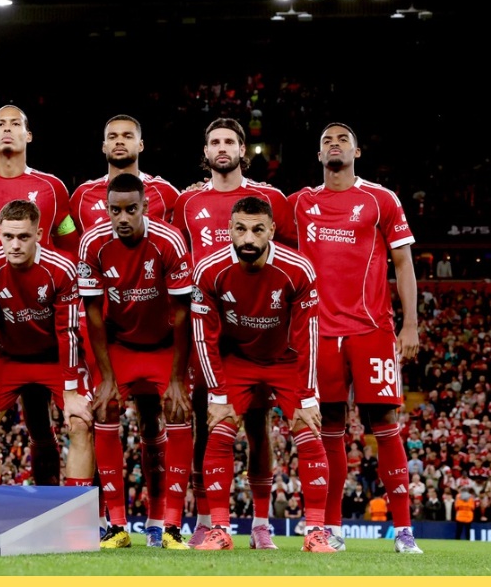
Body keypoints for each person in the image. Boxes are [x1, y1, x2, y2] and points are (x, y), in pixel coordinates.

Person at [290, 122, 424, 555]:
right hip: (319, 335)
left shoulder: (380, 199)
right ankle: (330, 528)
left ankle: (404, 532)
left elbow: (403, 263)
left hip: (372, 330)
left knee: (385, 426)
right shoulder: (300, 204)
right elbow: (251, 209)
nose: (334, 144)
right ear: (318, 155)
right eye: (326, 140)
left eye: (342, 139)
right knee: (328, 430)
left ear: (357, 152)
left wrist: (410, 324)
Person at [172, 117, 296, 550]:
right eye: (214, 142)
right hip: (208, 330)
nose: (221, 148)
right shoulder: (187, 203)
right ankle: (208, 522)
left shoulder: (272, 200)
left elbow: (291, 263)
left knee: (260, 427)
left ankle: (262, 523)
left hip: (259, 330)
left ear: (243, 150)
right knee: (208, 426)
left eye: (229, 142)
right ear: (205, 153)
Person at [187, 196, 334, 553]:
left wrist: (309, 396)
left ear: (271, 230)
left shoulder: (298, 270)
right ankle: (219, 530)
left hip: (285, 361)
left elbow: (308, 336)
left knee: (309, 428)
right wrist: (218, 396)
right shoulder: (209, 271)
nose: (248, 238)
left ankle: (315, 532)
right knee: (219, 428)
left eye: (256, 229)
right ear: (229, 231)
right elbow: (203, 337)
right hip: (237, 360)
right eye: (240, 229)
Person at [0, 104, 78, 487]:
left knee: (42, 423)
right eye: (0, 125)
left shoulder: (53, 188)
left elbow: (69, 245)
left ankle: (49, 506)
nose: (7, 130)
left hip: (40, 321)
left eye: (16, 124)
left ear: (28, 136)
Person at [69, 114, 181, 539]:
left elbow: (175, 245)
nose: (119, 142)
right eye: (112, 135)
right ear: (102, 146)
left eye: (127, 135)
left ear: (141, 143)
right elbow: (68, 243)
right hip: (105, 329)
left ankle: (158, 519)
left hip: (157, 327)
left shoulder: (167, 193)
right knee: (102, 416)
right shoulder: (80, 197)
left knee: (155, 423)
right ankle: (107, 519)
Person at [0, 200, 94, 490]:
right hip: (9, 359)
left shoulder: (60, 268)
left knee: (80, 422)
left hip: (55, 360)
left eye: (23, 236)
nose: (15, 245)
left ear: (39, 233)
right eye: (8, 237)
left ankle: (74, 516)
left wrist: (71, 392)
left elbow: (68, 331)